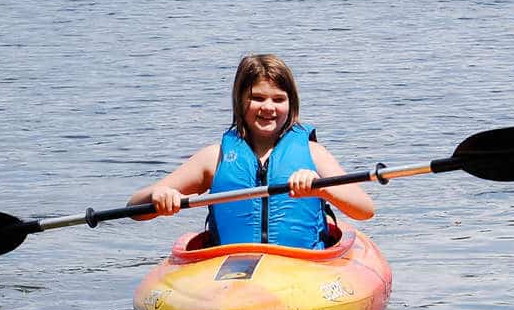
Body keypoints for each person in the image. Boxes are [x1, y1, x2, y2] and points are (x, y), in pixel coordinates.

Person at [128, 54, 374, 249]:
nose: (268, 107)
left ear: (291, 104)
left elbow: (364, 210)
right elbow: (134, 209)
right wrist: (159, 195)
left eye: (278, 99)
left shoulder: (313, 153)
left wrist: (322, 188)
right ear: (240, 101)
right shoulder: (214, 158)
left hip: (303, 266)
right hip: (232, 270)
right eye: (257, 98)